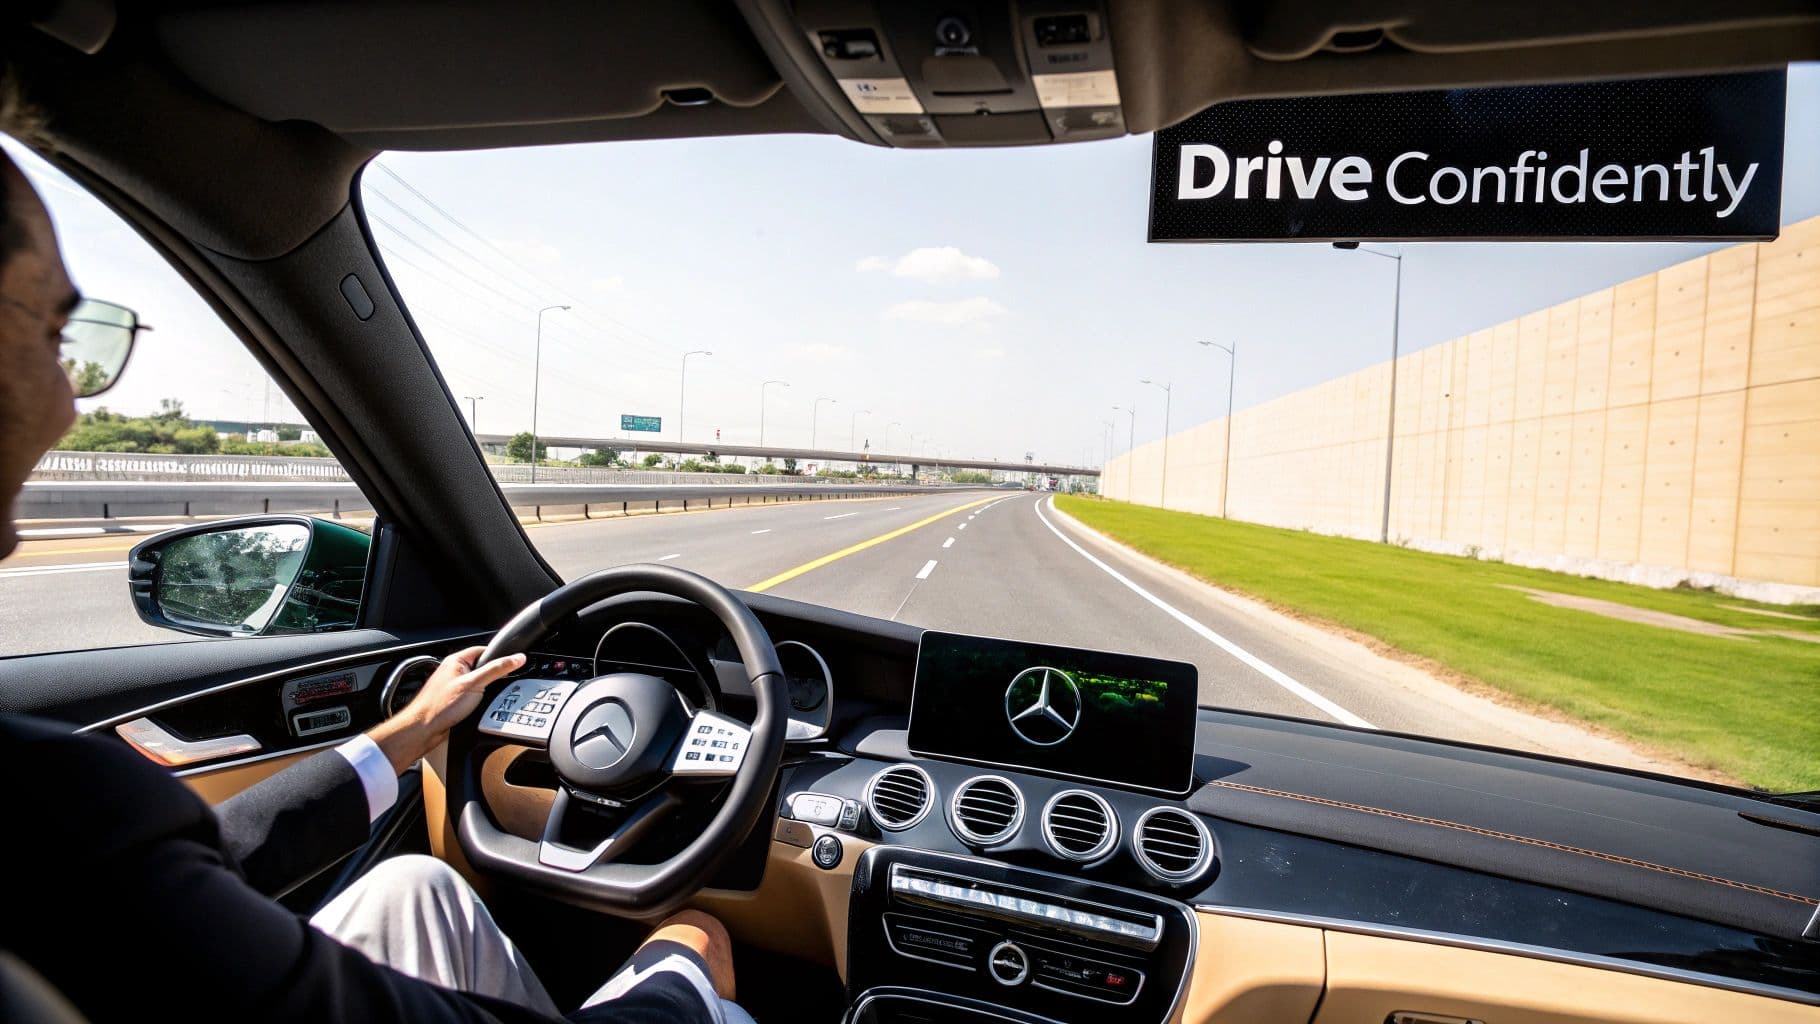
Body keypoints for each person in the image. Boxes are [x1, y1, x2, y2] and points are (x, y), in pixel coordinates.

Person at [0, 81, 754, 1023]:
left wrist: (404, 736)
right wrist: (683, 977)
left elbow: (181, 880)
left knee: (416, 891)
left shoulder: (59, 832)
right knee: (699, 948)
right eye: (51, 331)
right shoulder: (50, 801)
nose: (74, 401)